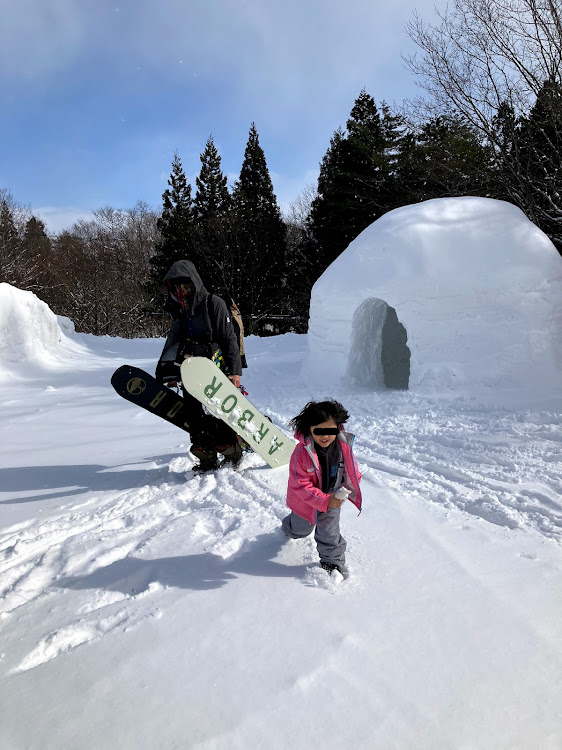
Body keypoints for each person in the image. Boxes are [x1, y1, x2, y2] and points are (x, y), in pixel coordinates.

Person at [155, 259, 243, 472]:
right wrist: (170, 371)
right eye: (175, 287)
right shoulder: (181, 309)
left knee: (220, 408)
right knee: (193, 411)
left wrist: (235, 372)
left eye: (184, 285)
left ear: (194, 282)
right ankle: (206, 453)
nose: (181, 291)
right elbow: (175, 340)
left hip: (216, 365)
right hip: (191, 367)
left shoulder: (214, 303)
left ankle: (231, 447)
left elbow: (229, 339)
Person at [282, 400, 362, 578]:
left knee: (329, 532)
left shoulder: (343, 448)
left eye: (330, 430)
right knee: (300, 530)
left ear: (338, 428)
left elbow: (351, 469)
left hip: (332, 497)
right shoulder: (301, 454)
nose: (325, 436)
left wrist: (351, 484)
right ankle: (287, 528)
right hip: (305, 502)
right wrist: (323, 500)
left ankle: (331, 562)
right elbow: (300, 485)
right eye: (319, 430)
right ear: (309, 429)